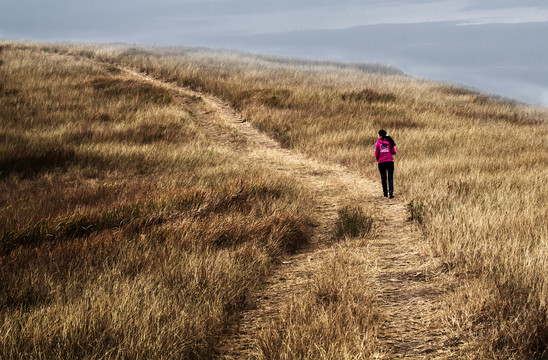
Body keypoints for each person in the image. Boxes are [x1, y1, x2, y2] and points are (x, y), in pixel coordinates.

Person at [374, 129, 397, 198]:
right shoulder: (389, 142)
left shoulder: (378, 143)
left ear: (380, 136)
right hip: (390, 161)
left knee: (383, 178)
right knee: (390, 177)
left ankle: (385, 194)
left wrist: (379, 160)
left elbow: (376, 154)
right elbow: (394, 152)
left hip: (381, 162)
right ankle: (391, 192)